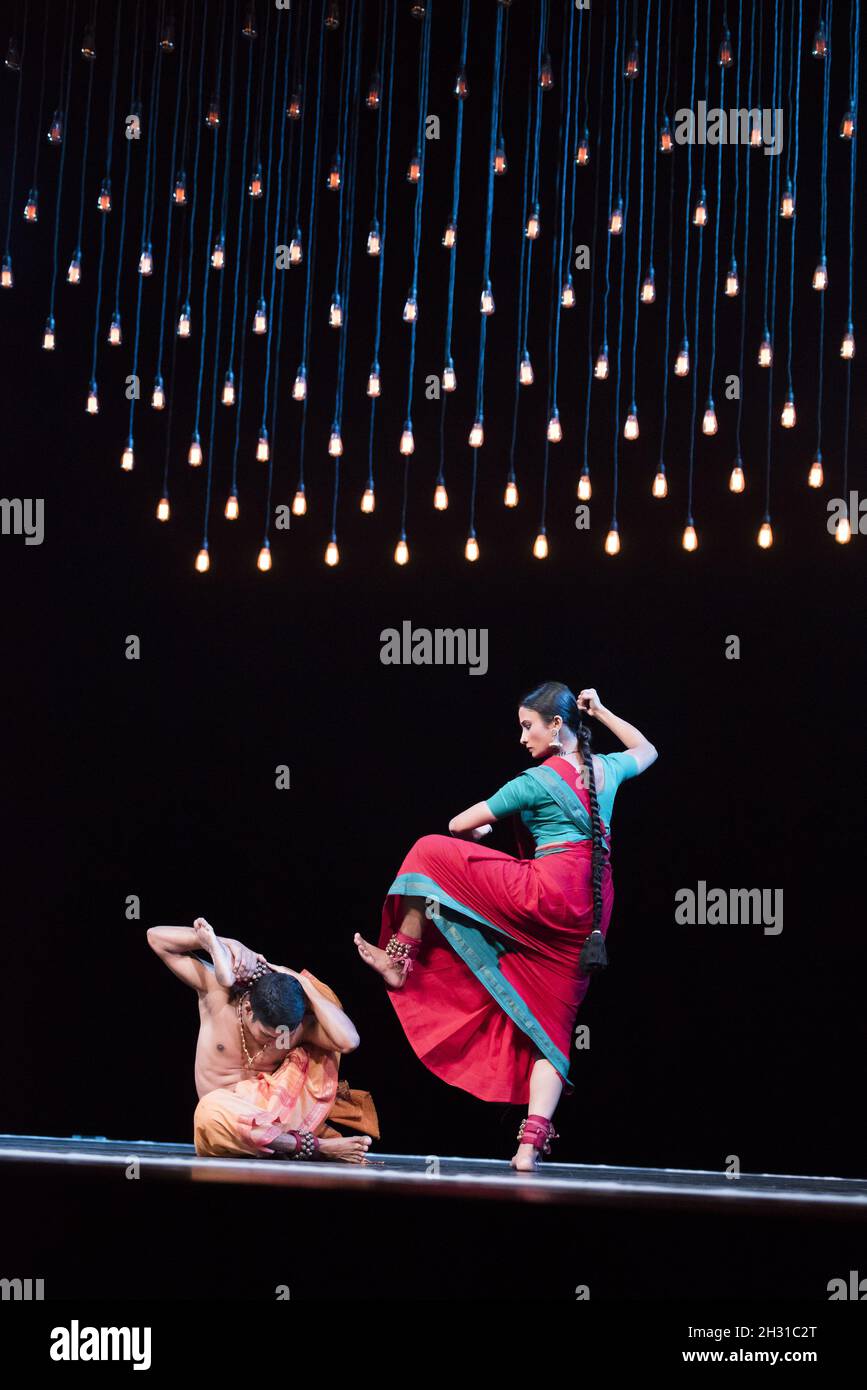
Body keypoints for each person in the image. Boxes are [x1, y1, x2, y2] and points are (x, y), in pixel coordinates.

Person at [354, 682, 657, 1170]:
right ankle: (527, 1149)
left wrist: (479, 830)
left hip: (544, 895)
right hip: (590, 915)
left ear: (556, 726)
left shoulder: (535, 781)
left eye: (527, 726)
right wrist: (600, 711)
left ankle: (400, 957)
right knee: (555, 1030)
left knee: (428, 853)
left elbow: (458, 825)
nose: (521, 738)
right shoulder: (606, 769)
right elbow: (647, 749)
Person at [148, 918, 379, 1161]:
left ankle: (287, 1142)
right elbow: (156, 937)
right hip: (227, 1123)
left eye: (284, 1035)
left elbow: (349, 1041)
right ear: (248, 1008)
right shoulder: (217, 995)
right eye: (269, 1034)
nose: (278, 1040)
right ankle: (315, 1146)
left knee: (326, 1009)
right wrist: (219, 942)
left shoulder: (299, 1028)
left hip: (278, 1116)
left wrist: (303, 984)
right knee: (208, 1110)